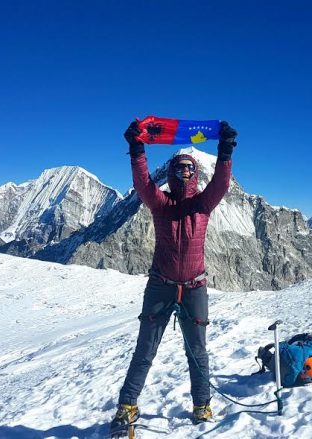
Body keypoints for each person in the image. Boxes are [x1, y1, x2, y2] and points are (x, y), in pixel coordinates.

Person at [110, 120, 237, 430]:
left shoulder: (203, 204)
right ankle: (127, 405)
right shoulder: (161, 204)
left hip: (194, 288)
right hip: (161, 286)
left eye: (190, 169)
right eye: (180, 168)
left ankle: (201, 406)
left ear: (195, 175)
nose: (185, 173)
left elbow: (221, 184)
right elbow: (142, 184)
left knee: (197, 352)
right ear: (170, 173)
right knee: (145, 349)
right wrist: (137, 149)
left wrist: (224, 150)